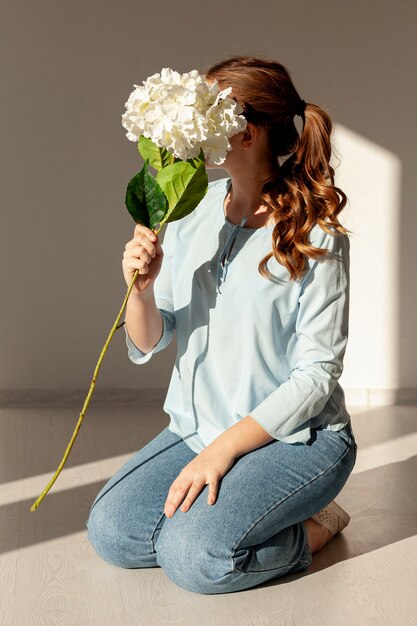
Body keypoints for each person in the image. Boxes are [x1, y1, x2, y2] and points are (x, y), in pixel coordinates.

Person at [86, 56, 358, 595]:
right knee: (113, 533)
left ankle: (318, 524)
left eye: (204, 115)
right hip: (197, 428)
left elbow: (317, 374)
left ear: (247, 133)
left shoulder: (317, 233)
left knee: (196, 559)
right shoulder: (190, 211)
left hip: (298, 439)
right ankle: (224, 516)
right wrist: (138, 288)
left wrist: (224, 450)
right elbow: (152, 339)